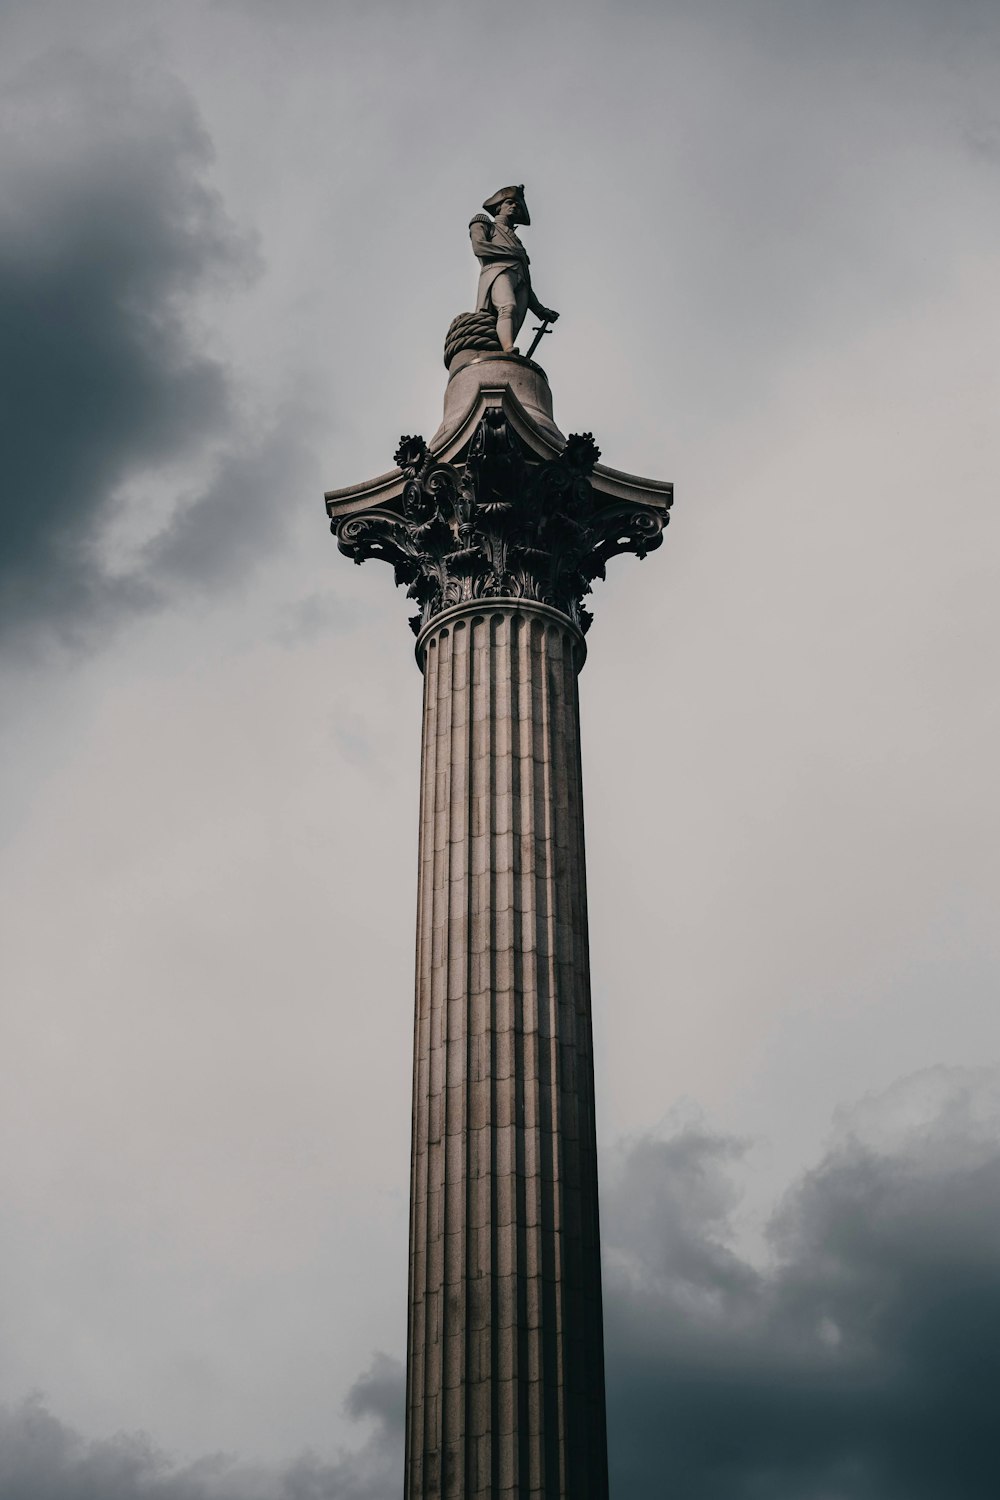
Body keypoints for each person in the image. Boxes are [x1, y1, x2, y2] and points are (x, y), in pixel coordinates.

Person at [470, 185, 558, 355]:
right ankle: (508, 348)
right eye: (509, 202)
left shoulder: (517, 242)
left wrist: (540, 310)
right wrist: (513, 253)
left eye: (517, 205)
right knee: (507, 307)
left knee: (514, 319)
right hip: (498, 272)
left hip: (520, 282)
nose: (514, 207)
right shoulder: (484, 223)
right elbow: (479, 247)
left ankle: (503, 351)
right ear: (499, 207)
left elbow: (527, 280)